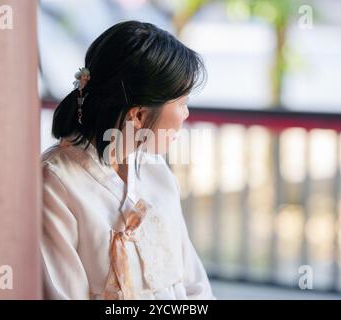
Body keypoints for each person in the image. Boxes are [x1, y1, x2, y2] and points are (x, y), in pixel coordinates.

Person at [41, 20, 215, 300]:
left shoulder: (156, 171)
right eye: (181, 104)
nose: (186, 115)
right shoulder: (54, 185)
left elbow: (196, 287)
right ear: (138, 115)